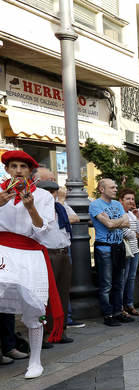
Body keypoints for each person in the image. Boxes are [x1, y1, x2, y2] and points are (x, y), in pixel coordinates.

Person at [0, 151, 63, 378]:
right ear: (7, 169)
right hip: (3, 250)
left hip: (30, 253)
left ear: (30, 172)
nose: (18, 170)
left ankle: (35, 361)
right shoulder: (0, 191)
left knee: (33, 306)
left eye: (23, 167)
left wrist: (31, 207)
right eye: (13, 166)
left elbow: (43, 229)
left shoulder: (44, 196)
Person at [31, 177, 73, 344]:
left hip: (63, 252)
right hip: (46, 253)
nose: (51, 195)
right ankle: (43, 334)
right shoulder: (36, 209)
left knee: (63, 294)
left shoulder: (61, 208)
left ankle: (60, 331)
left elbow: (75, 218)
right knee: (43, 296)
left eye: (53, 192)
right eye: (47, 192)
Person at [90, 178, 132, 326]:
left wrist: (114, 223)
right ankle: (108, 315)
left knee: (119, 283)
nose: (115, 189)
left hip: (118, 246)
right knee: (106, 284)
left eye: (115, 187)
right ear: (102, 189)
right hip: (104, 248)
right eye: (112, 187)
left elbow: (127, 222)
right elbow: (108, 224)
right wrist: (117, 222)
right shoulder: (95, 205)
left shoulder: (117, 204)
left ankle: (118, 312)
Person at [119, 188, 139, 317]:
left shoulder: (132, 214)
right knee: (123, 279)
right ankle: (120, 306)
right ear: (121, 200)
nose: (131, 201)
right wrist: (134, 234)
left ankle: (130, 304)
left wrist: (138, 217)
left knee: (131, 279)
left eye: (132, 199)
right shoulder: (120, 212)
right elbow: (123, 231)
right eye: (127, 199)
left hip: (135, 250)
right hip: (126, 251)